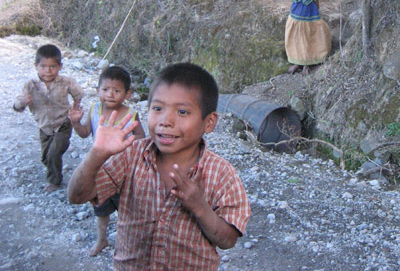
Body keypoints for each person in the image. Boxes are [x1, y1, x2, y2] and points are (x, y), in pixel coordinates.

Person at [67, 63, 251, 270]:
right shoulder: (131, 156)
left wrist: (200, 207)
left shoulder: (221, 173)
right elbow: (76, 196)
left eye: (182, 112)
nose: (165, 121)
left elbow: (228, 241)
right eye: (157, 108)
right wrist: (97, 154)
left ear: (209, 122)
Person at [69, 65, 146, 257]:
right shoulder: (95, 109)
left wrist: (124, 141)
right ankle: (101, 239)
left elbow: (143, 139)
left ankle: (125, 243)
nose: (110, 94)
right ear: (97, 91)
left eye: (117, 90)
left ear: (127, 94)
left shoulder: (131, 115)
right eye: (105, 89)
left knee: (125, 209)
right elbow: (85, 133)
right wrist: (76, 123)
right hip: (100, 168)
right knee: (99, 207)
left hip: (123, 172)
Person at [13, 44, 84, 192]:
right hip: (44, 126)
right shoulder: (30, 85)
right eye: (43, 66)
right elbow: (17, 105)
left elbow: (78, 94)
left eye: (53, 66)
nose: (48, 71)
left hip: (63, 123)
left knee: (53, 153)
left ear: (60, 67)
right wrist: (23, 102)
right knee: (46, 157)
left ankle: (54, 181)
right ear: (36, 66)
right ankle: (53, 167)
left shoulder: (66, 82)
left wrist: (76, 107)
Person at [285, 0, 331, 75]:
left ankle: (306, 64)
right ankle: (297, 63)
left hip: (310, 21)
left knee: (308, 42)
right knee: (295, 42)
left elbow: (317, 6)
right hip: (295, 21)